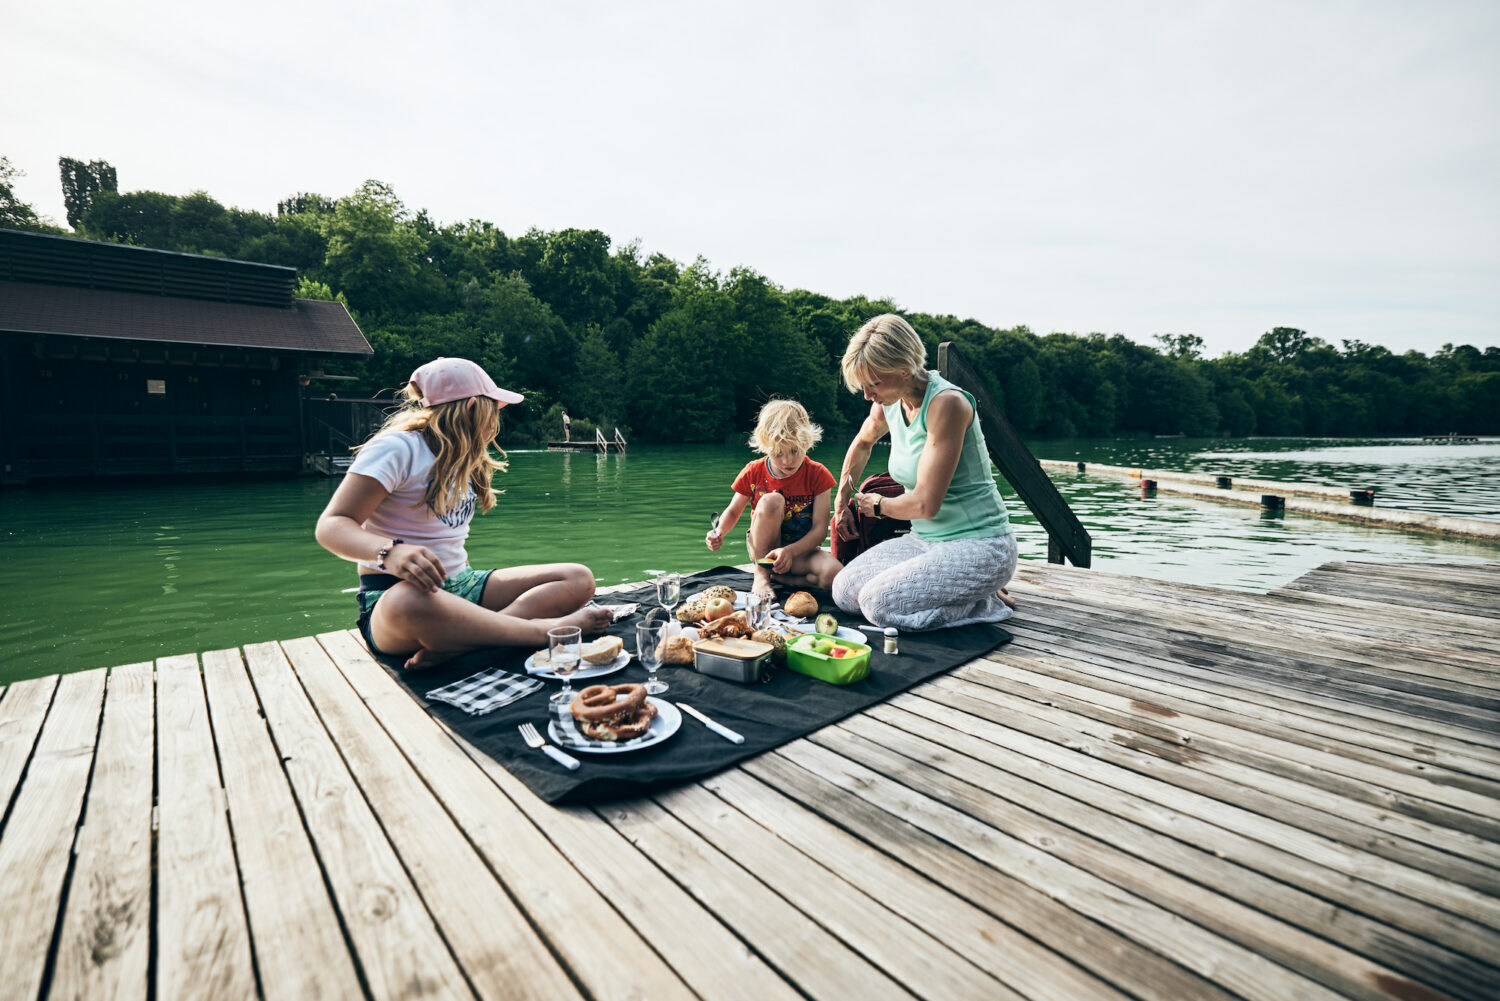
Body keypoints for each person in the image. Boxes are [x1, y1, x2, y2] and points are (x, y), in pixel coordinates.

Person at [316, 357, 612, 669]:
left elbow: (445, 535)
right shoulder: (397, 448)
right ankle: (544, 632)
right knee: (408, 601)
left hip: (462, 584)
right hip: (395, 600)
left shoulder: (463, 456)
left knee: (578, 578)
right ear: (472, 408)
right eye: (493, 410)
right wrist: (391, 553)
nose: (496, 421)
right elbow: (331, 525)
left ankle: (464, 642)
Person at [831, 315, 1018, 630]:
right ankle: (963, 589)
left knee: (877, 605)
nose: (867, 394)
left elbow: (925, 504)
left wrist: (877, 505)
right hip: (923, 540)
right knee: (844, 592)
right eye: (863, 384)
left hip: (980, 545)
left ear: (904, 368)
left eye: (874, 383)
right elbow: (863, 443)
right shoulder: (889, 402)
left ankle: (981, 602)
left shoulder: (948, 405)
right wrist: (841, 501)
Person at [706, 399, 843, 598]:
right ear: (765, 446)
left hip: (800, 552)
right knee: (773, 501)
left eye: (795, 451)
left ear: (806, 442)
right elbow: (734, 511)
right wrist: (718, 532)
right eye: (778, 453)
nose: (788, 461)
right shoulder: (754, 470)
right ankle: (762, 575)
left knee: (836, 576)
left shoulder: (819, 474)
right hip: (764, 552)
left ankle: (781, 579)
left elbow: (820, 530)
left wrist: (790, 552)